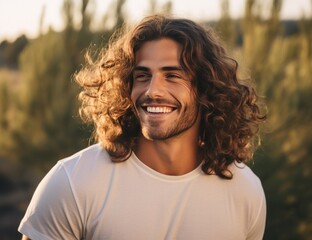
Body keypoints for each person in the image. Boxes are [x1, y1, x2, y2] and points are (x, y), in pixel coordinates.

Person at [19, 14, 267, 240]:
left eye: (172, 75)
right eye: (142, 76)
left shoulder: (245, 190)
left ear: (206, 89)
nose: (152, 91)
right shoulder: (73, 183)